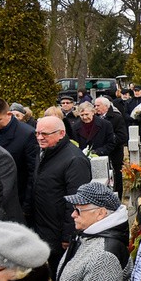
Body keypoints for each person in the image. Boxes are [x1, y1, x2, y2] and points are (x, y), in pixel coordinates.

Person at [31, 116, 92, 272]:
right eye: (37, 133)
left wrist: (68, 235)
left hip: (60, 232)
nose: (39, 137)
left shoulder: (74, 159)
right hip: (45, 227)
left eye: (45, 134)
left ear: (61, 133)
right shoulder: (45, 152)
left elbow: (76, 200)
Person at [0, 97, 39, 218]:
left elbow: (33, 173)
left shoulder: (27, 134)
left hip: (17, 199)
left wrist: (27, 206)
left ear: (9, 114)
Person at [94, 96, 128, 198]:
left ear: (106, 106)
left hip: (114, 153)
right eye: (95, 105)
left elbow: (122, 136)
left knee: (116, 176)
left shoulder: (116, 117)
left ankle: (118, 197)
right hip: (100, 152)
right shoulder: (94, 118)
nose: (96, 108)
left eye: (98, 105)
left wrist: (110, 142)